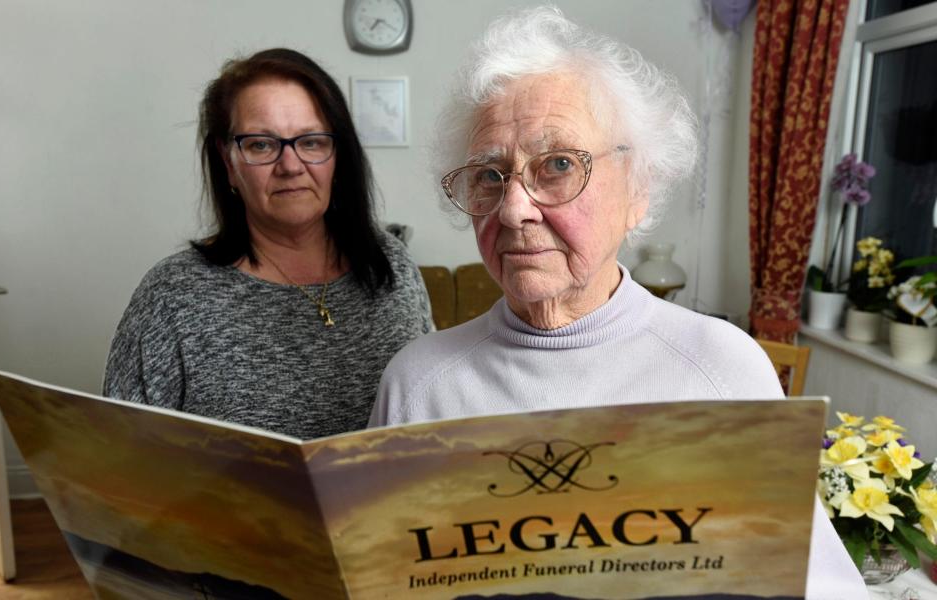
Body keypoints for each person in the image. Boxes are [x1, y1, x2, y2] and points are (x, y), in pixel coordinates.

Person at [369, 7, 866, 598]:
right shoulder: (420, 383)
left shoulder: (723, 368)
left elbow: (818, 586)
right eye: (490, 175)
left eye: (557, 166)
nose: (513, 209)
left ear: (638, 190)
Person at [104, 48, 431, 440]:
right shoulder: (172, 296)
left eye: (310, 142)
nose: (290, 166)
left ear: (337, 156)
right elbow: (122, 455)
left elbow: (430, 410)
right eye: (261, 145)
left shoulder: (392, 265)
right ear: (228, 163)